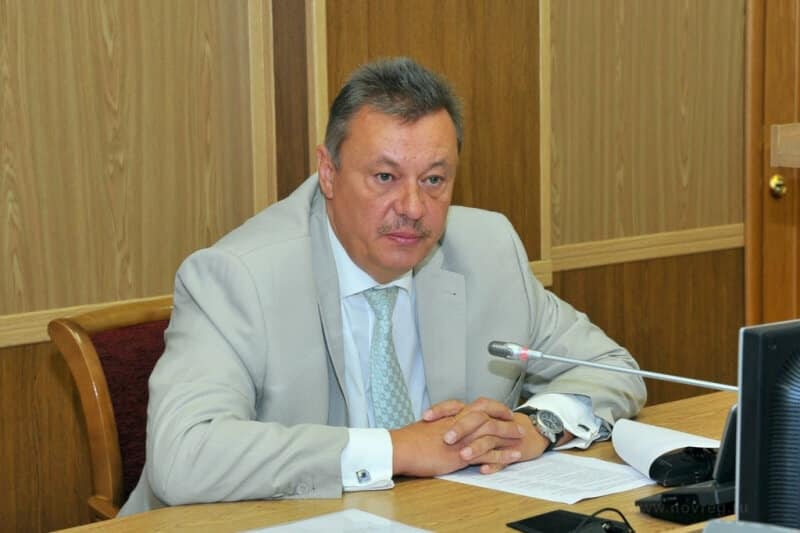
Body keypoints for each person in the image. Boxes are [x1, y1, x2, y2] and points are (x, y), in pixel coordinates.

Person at [120, 57, 646, 515]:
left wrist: (535, 427)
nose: (413, 208)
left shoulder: (488, 251)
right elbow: (183, 455)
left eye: (434, 180)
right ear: (328, 172)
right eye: (385, 177)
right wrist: (397, 450)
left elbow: (614, 369)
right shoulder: (239, 277)